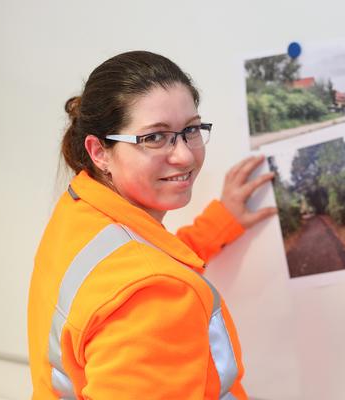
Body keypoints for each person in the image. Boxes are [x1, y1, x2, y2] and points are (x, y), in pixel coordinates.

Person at [27, 51, 276, 399]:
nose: (185, 155)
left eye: (190, 129)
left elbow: (141, 259)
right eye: (154, 137)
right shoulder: (151, 296)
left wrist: (218, 225)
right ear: (99, 151)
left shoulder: (78, 211)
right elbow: (148, 284)